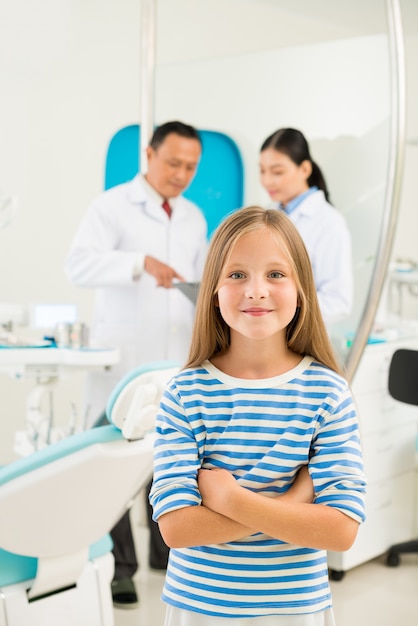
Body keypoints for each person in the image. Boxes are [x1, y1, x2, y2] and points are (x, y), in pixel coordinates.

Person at [149, 206, 366, 625]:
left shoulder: (328, 394)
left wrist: (231, 499)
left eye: (276, 274)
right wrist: (294, 502)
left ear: (302, 287)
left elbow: (341, 531)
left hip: (296, 610)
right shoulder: (185, 393)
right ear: (212, 288)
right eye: (236, 275)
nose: (256, 290)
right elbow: (177, 530)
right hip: (199, 609)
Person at [64, 120, 208, 609]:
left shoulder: (192, 217)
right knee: (115, 463)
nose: (181, 174)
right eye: (173, 163)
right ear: (149, 155)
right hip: (123, 359)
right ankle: (120, 569)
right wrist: (137, 263)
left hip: (174, 359)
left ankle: (166, 557)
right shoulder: (110, 207)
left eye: (190, 166)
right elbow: (77, 264)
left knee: (168, 457)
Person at [259, 128, 353, 326]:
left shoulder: (329, 222)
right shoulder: (267, 214)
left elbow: (338, 302)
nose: (267, 180)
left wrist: (282, 309)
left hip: (301, 336)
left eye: (277, 172)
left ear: (304, 170)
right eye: (262, 171)